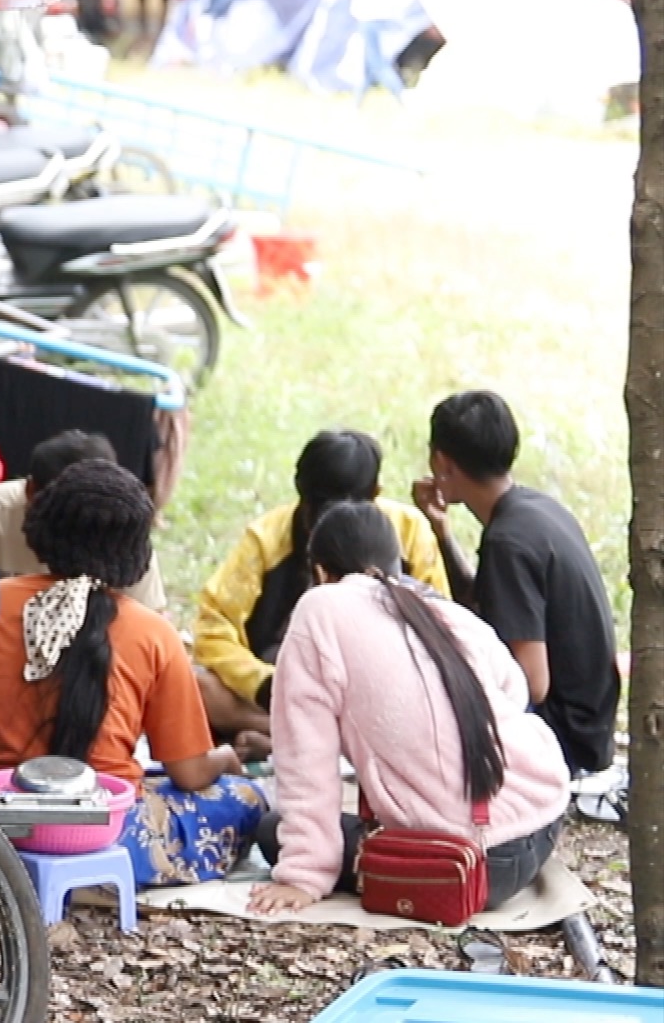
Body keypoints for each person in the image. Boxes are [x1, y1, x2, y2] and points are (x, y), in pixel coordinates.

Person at [249, 502, 571, 915]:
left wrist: (304, 876)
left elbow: (304, 757)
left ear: (320, 572)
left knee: (271, 828)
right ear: (395, 560)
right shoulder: (441, 609)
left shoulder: (320, 609)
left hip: (471, 865)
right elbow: (514, 690)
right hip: (544, 820)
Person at [0, 460, 265, 887]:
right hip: (107, 835)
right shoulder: (153, 632)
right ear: (136, 551)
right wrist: (224, 759)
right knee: (247, 798)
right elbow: (188, 772)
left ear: (41, 526)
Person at [195, 431, 447, 753]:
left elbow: (440, 627)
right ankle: (325, 739)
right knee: (195, 684)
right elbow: (212, 629)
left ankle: (291, 737)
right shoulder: (266, 540)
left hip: (384, 692)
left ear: (375, 495)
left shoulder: (410, 533)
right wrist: (264, 684)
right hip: (285, 689)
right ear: (300, 495)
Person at [412, 391, 620, 775]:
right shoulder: (537, 510)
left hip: (565, 741)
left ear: (441, 461)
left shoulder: (509, 542)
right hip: (592, 727)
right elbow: (486, 605)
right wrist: (442, 534)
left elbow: (531, 684)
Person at [0, 430, 168, 611]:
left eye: (91, 518)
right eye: (64, 514)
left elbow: (148, 623)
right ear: (30, 491)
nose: (77, 531)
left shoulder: (123, 534)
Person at [349, 0, 422, 107]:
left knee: (378, 63)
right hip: (382, 15)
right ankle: (356, 105)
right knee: (367, 64)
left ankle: (403, 96)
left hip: (371, 16)